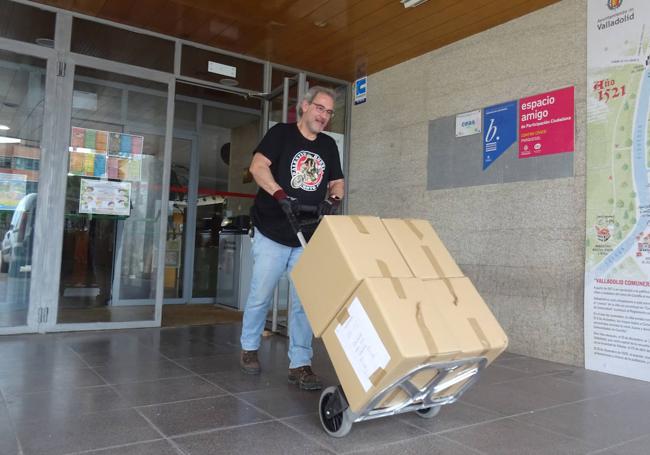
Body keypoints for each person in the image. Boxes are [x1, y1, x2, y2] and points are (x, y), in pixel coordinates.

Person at [240, 86, 345, 390]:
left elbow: (337, 182)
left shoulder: (327, 146)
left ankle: (300, 363)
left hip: (306, 234)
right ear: (304, 107)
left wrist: (333, 200)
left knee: (303, 302)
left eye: (329, 112)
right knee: (261, 293)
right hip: (272, 229)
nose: (323, 116)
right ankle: (249, 347)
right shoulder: (280, 135)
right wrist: (279, 194)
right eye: (319, 108)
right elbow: (258, 167)